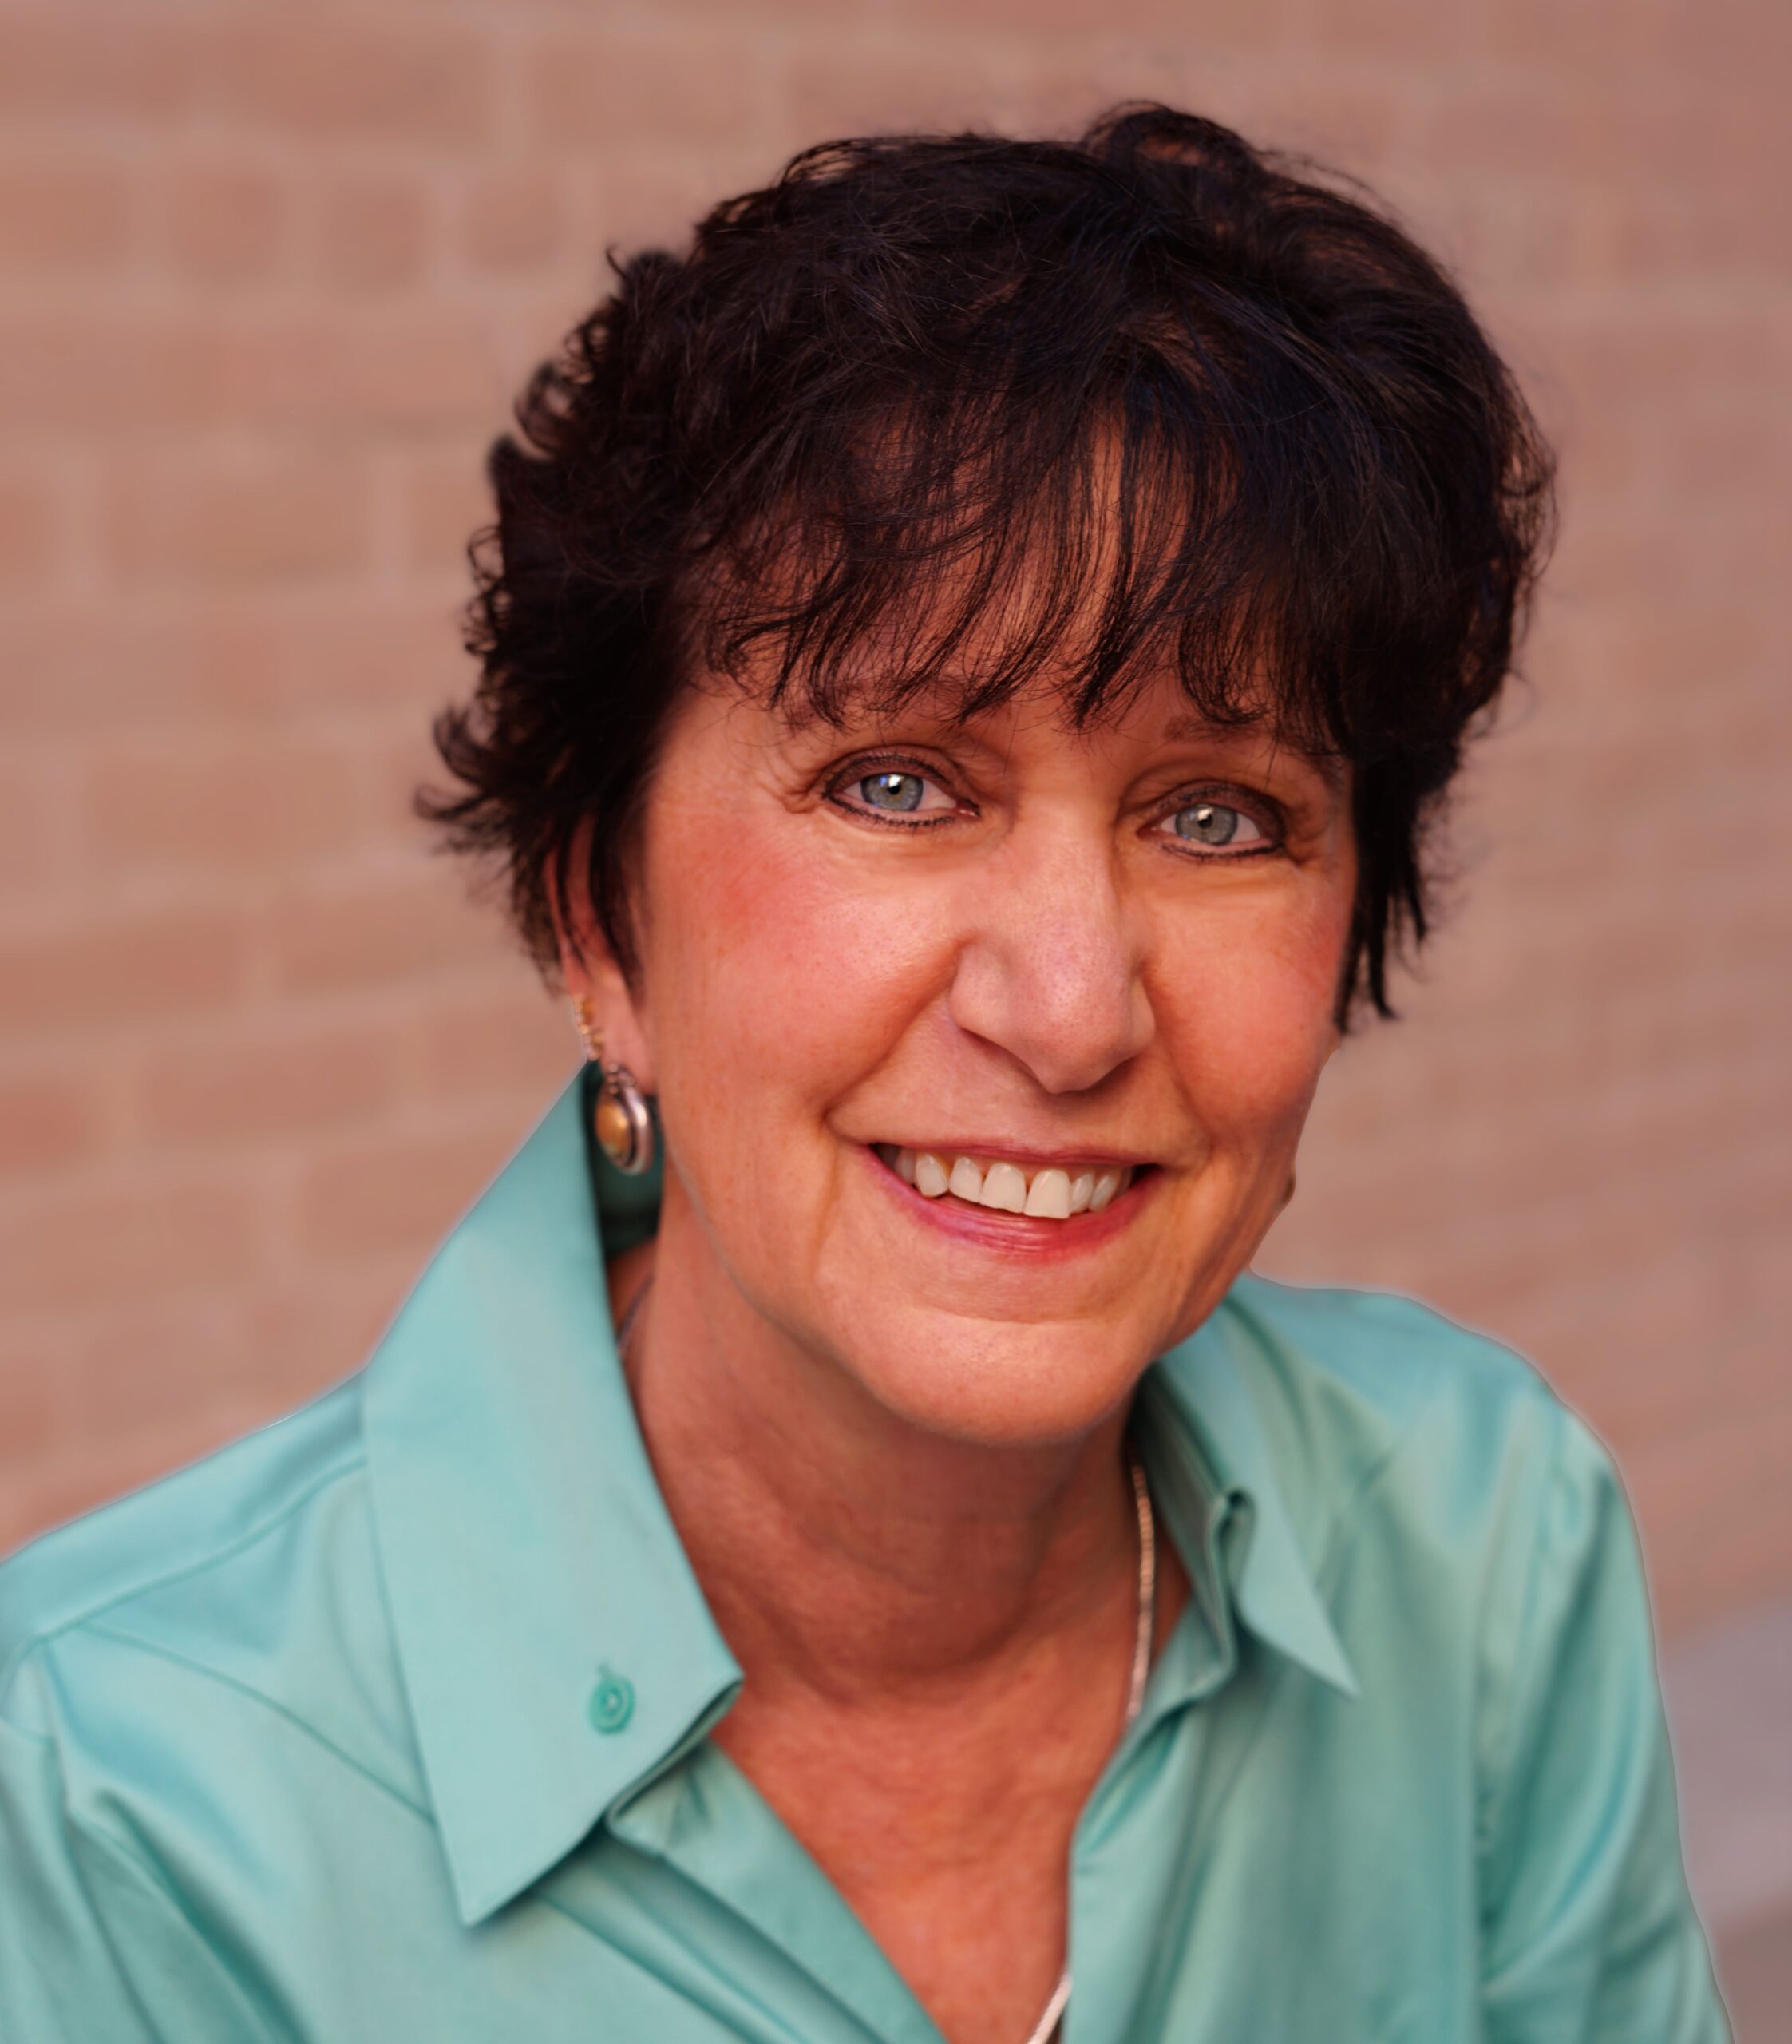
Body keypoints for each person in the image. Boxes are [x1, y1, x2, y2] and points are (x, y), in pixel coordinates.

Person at [0, 105, 1729, 2044]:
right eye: (897, 782)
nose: (1071, 1009)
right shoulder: (108, 1794)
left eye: (1221, 814)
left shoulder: (1485, 1545)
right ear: (597, 923)